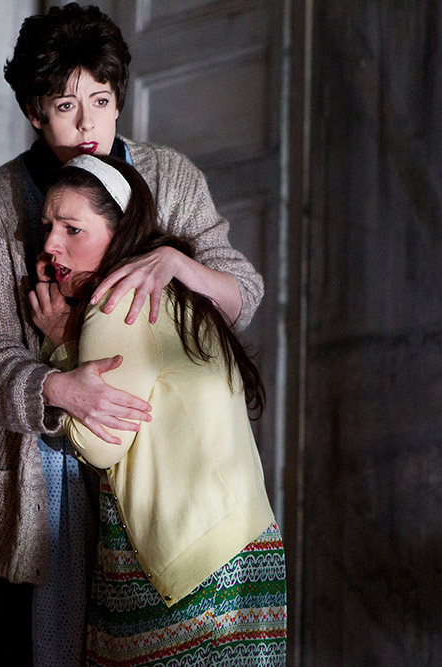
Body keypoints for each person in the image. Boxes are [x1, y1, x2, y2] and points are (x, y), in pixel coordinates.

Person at [0, 4, 264, 665]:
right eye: (66, 106)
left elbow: (242, 292)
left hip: (153, 482)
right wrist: (57, 385)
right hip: (31, 485)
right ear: (35, 113)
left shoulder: (169, 179)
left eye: (101, 100)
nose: (87, 124)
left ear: (119, 98)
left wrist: (177, 263)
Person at [30, 154, 286, 666]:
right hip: (248, 545)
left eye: (72, 229)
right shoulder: (180, 293)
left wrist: (60, 344)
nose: (51, 245)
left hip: (188, 564)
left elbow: (100, 445)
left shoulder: (117, 301)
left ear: (119, 232)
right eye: (48, 227)